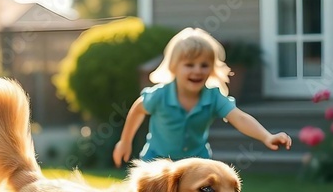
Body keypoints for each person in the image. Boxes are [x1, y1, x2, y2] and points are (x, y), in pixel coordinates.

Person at [113, 27, 291, 167]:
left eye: (204, 65)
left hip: (196, 162)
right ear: (174, 67)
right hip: (156, 161)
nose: (197, 70)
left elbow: (240, 118)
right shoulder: (160, 94)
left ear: (212, 69)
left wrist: (266, 136)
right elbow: (138, 110)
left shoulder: (213, 97)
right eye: (189, 65)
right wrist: (125, 141)